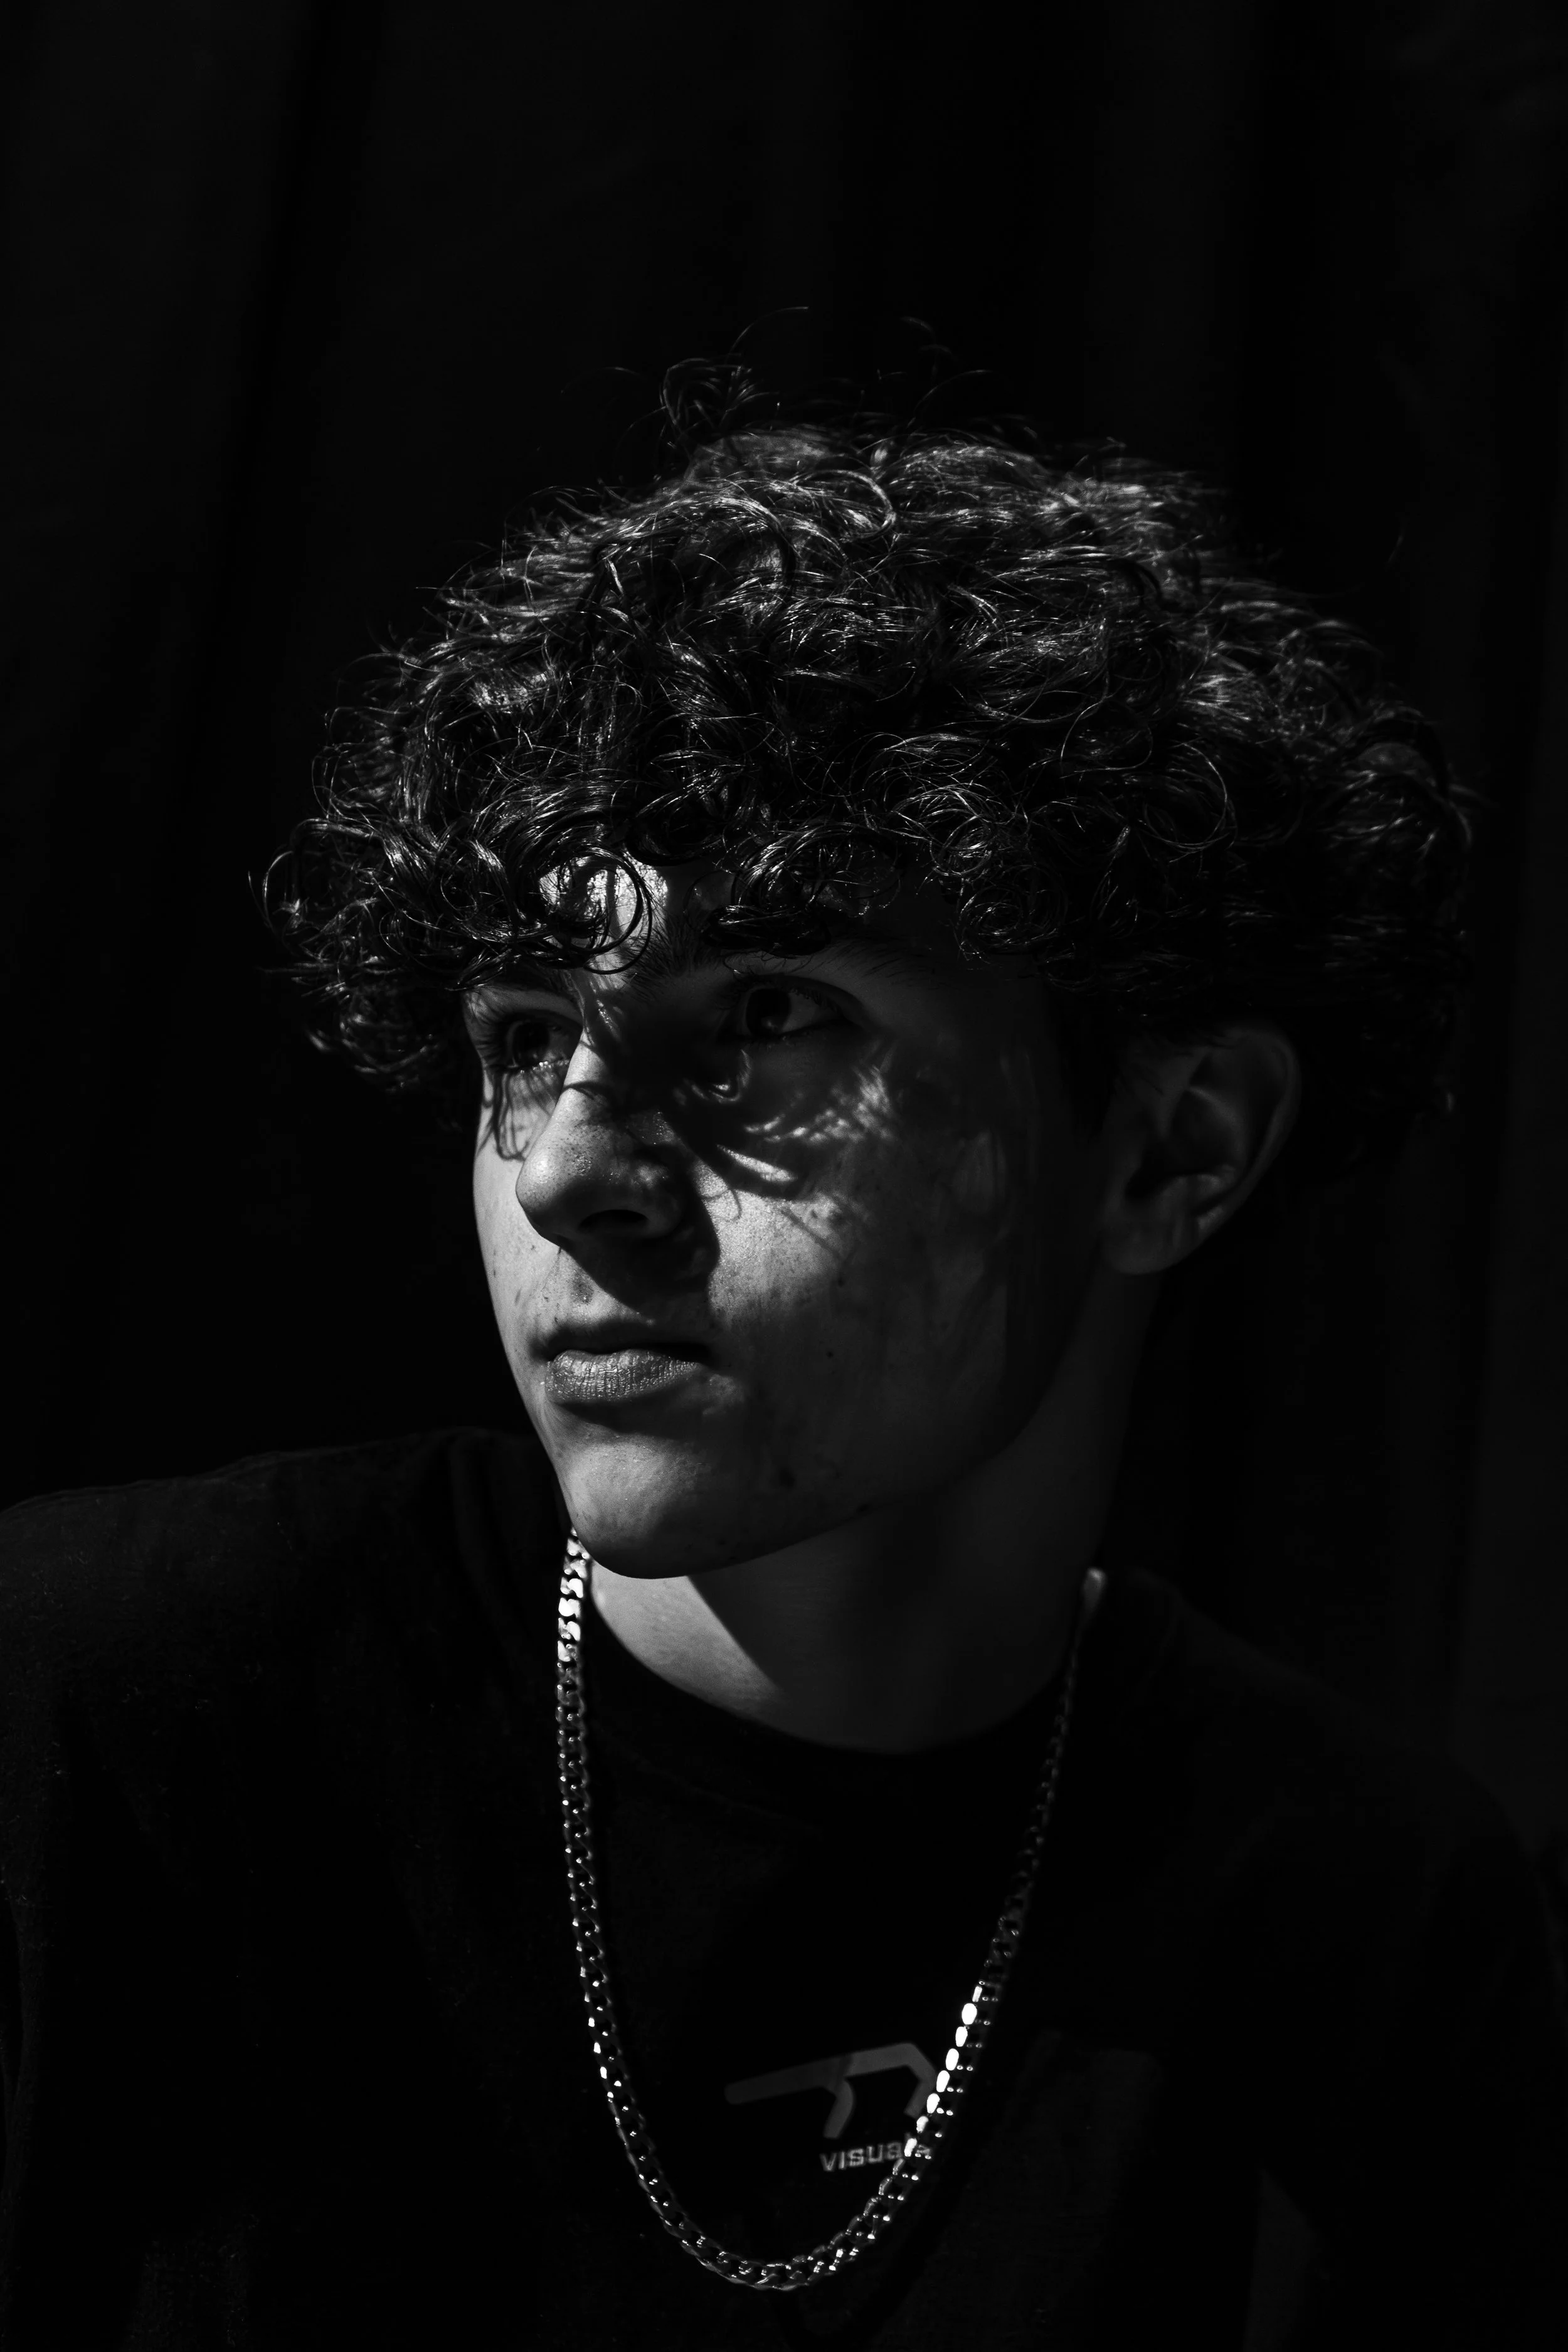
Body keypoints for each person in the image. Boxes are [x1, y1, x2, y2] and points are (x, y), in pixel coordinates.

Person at [1, 416, 1563, 2351]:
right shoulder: (101, 1710)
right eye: (522, 1032)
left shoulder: (1360, 1935)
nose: (567, 1170)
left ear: (1171, 1150)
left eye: (765, 1017)